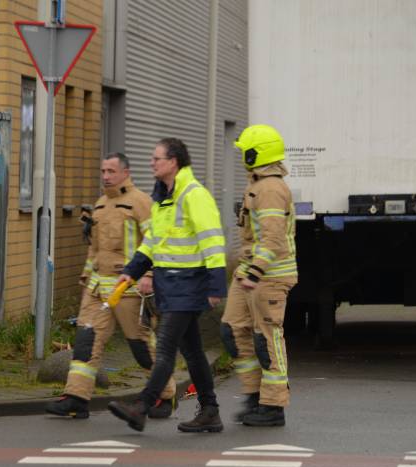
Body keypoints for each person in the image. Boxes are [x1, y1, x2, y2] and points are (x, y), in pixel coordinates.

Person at [107, 138, 227, 433]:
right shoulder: (163, 197)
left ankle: (141, 406)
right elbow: (153, 243)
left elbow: (212, 241)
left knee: (164, 349)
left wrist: (216, 286)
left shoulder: (193, 195)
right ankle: (210, 410)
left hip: (189, 286)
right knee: (194, 352)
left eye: (156, 158)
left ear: (173, 162)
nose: (152, 163)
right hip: (170, 285)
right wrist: (132, 272)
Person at [45, 153, 177, 419]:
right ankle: (76, 398)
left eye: (111, 171)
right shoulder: (101, 204)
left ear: (125, 172)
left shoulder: (140, 202)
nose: (105, 176)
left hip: (128, 287)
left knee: (141, 346)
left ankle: (165, 396)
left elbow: (156, 240)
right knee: (85, 342)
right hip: (98, 288)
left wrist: (149, 275)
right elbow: (94, 248)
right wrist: (86, 277)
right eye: (103, 171)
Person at [221, 124, 297, 427]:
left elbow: (273, 239)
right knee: (232, 331)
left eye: (244, 151)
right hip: (250, 272)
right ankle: (255, 394)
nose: (241, 156)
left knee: (268, 339)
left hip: (269, 276)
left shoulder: (270, 189)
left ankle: (273, 405)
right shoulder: (257, 184)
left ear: (257, 153)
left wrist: (254, 271)